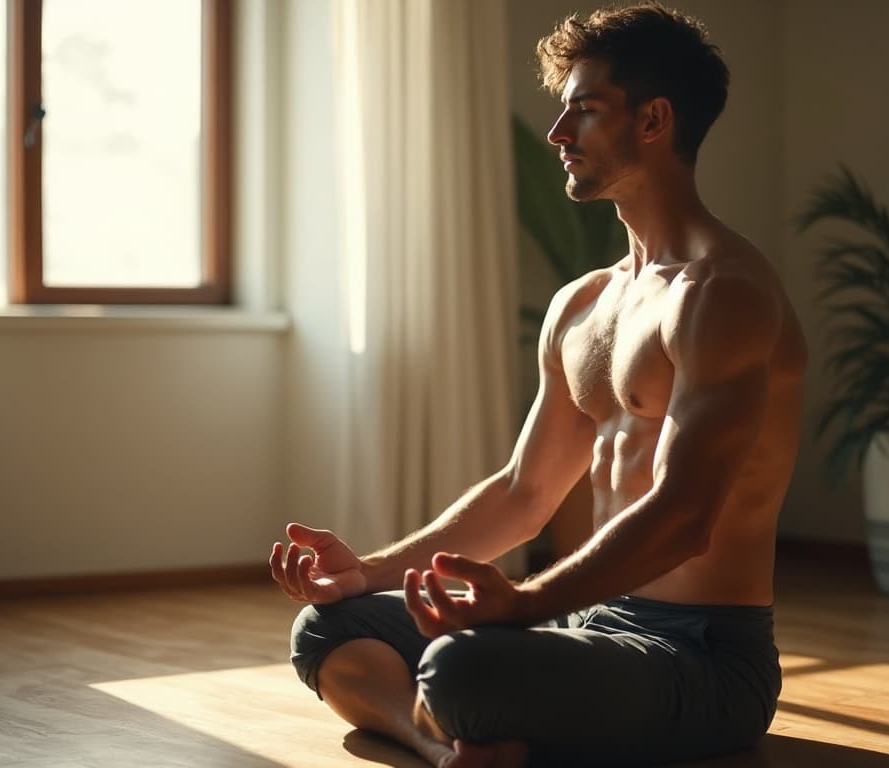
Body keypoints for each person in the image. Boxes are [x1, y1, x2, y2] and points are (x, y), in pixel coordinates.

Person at [270, 3, 808, 766]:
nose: (558, 136)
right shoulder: (584, 302)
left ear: (653, 120)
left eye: (583, 112)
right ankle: (445, 748)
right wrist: (369, 572)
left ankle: (469, 723)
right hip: (582, 622)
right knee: (331, 624)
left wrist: (523, 605)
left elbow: (687, 516)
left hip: (703, 658)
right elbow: (525, 492)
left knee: (460, 668)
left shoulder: (725, 295)